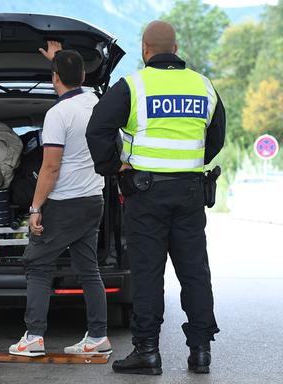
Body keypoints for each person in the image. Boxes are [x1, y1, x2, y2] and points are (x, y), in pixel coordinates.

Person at [86, 21, 225, 375]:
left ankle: (147, 352)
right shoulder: (203, 86)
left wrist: (113, 167)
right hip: (191, 191)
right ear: (175, 49)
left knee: (148, 273)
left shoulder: (133, 86)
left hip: (145, 194)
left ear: (146, 49)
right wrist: (192, 162)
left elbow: (98, 129)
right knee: (195, 272)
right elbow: (216, 137)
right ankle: (200, 352)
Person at [8, 41, 112, 357]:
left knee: (38, 265)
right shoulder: (98, 103)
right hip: (94, 199)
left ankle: (34, 337)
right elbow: (72, 79)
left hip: (64, 203)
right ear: (82, 74)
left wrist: (36, 208)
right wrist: (59, 61)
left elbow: (50, 167)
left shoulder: (58, 113)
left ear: (55, 78)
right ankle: (97, 337)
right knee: (88, 269)